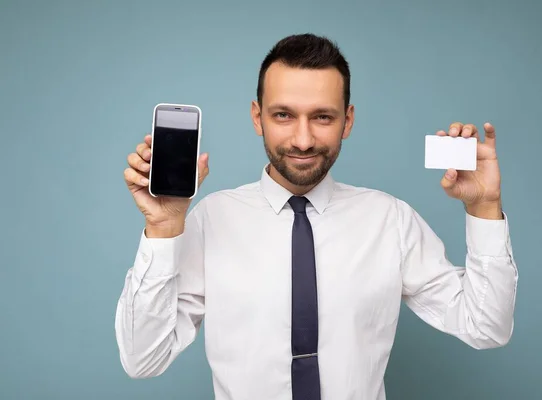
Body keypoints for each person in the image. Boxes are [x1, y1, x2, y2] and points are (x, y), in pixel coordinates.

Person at [116, 33, 518, 400]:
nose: (303, 140)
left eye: (322, 117)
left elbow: (487, 327)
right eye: (283, 115)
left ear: (348, 120)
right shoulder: (210, 221)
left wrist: (483, 208)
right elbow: (143, 360)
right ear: (258, 117)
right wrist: (164, 229)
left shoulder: (389, 221)